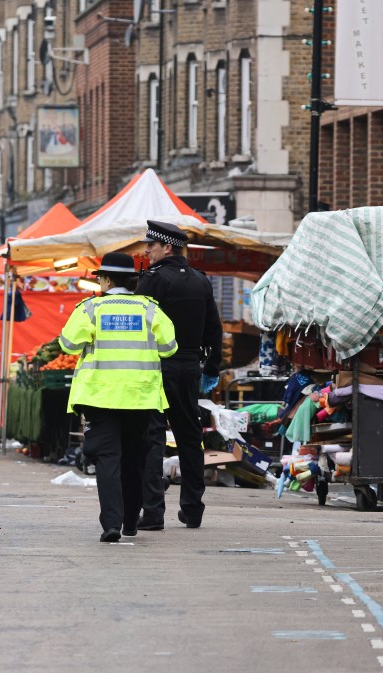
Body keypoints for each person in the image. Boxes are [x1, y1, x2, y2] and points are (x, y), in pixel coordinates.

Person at [58, 253, 177, 542]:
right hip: (141, 397)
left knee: (108, 459)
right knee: (135, 459)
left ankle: (111, 524)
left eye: (99, 278)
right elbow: (169, 347)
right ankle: (131, 522)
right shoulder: (150, 310)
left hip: (101, 397)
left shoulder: (91, 309)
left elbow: (69, 344)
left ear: (107, 279)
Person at [136, 220, 223, 531]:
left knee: (153, 437)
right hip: (189, 368)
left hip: (157, 366)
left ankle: (153, 511)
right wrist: (212, 368)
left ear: (167, 247)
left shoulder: (152, 280)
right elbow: (214, 328)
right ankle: (193, 509)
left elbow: (141, 327)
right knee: (189, 437)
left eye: (151, 246)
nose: (146, 251)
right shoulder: (201, 281)